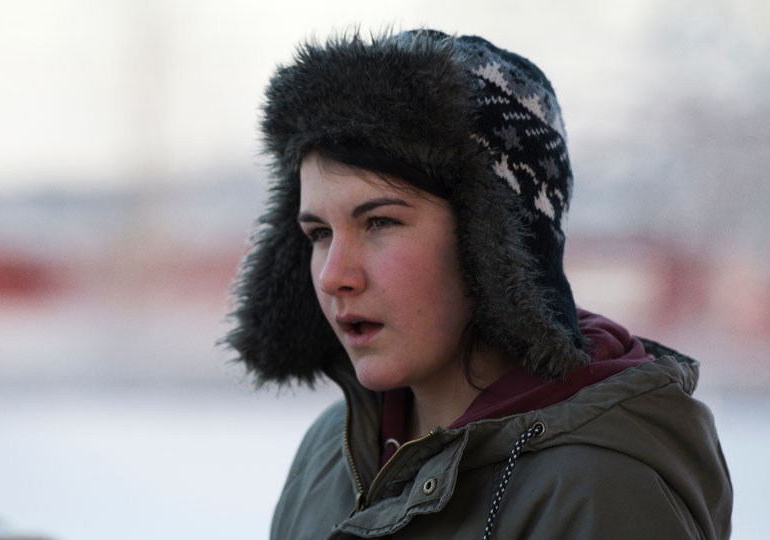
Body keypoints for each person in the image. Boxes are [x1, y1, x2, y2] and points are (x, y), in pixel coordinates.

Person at [225, 29, 732, 539]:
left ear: (490, 244)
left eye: (379, 222)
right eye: (319, 233)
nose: (334, 275)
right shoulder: (329, 454)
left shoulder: (600, 489)